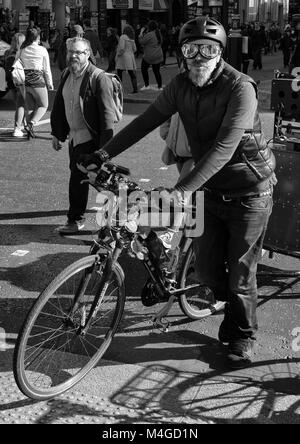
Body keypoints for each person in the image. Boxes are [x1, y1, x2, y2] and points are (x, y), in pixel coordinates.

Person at [78, 17, 277, 370]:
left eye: (208, 49)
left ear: (220, 53)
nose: (199, 56)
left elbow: (224, 147)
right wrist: (103, 153)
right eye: (191, 49)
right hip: (209, 190)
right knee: (208, 274)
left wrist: (180, 190)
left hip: (250, 191)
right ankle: (224, 302)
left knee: (240, 275)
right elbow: (143, 122)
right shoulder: (181, 84)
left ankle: (242, 334)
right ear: (182, 54)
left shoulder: (240, 88)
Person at [50, 37, 117, 235]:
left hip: (90, 140)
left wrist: (106, 150)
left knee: (83, 179)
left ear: (88, 54)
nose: (73, 56)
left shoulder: (99, 77)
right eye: (70, 52)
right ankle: (114, 217)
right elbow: (60, 106)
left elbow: (107, 116)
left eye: (78, 52)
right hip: (74, 138)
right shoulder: (66, 74)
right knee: (90, 179)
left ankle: (75, 220)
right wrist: (57, 133)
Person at [19, 27, 53, 138]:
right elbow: (46, 69)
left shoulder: (23, 48)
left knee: (30, 107)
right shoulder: (42, 50)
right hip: (38, 80)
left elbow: (16, 62)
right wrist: (49, 83)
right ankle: (31, 124)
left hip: (25, 81)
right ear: (37, 37)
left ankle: (29, 129)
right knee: (43, 105)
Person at [3, 32, 26, 137]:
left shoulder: (7, 52)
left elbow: (5, 65)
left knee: (17, 103)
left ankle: (21, 123)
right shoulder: (22, 52)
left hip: (10, 80)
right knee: (21, 104)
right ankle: (18, 126)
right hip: (19, 80)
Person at [139, 20, 163, 91]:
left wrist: (141, 33)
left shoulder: (149, 34)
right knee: (157, 71)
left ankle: (146, 85)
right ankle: (160, 86)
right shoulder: (158, 33)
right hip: (158, 55)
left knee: (144, 69)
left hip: (149, 56)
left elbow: (142, 42)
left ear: (149, 27)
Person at [115, 25, 138, 94]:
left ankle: (119, 89)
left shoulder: (123, 37)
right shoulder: (131, 38)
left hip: (123, 57)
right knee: (131, 73)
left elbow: (122, 48)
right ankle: (135, 89)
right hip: (130, 57)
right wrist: (130, 52)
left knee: (119, 73)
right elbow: (135, 49)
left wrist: (118, 54)